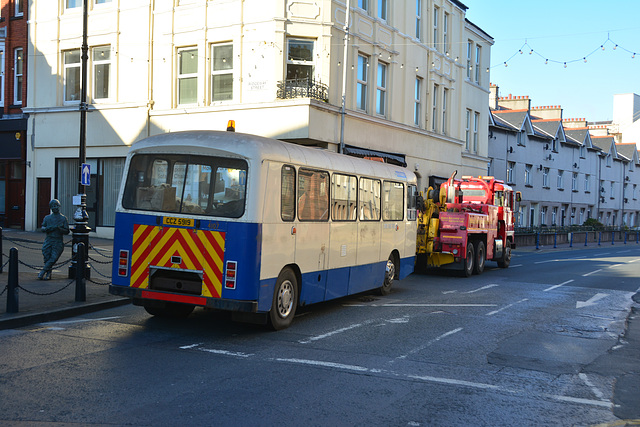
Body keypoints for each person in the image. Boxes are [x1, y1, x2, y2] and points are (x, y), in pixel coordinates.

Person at [38, 199, 70, 280]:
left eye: (56, 206)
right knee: (46, 256)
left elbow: (67, 231)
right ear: (51, 208)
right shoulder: (47, 218)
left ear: (59, 206)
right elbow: (42, 228)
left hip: (58, 240)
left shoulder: (63, 218)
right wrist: (48, 228)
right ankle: (49, 273)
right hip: (48, 239)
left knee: (54, 257)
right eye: (53, 206)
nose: (55, 207)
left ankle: (43, 272)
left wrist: (60, 229)